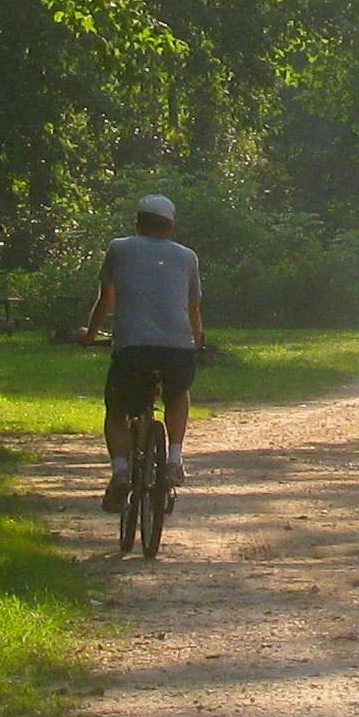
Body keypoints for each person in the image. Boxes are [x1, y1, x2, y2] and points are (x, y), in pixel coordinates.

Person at [84, 192, 204, 512]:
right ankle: (175, 459)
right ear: (171, 226)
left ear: (137, 224)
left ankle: (120, 473)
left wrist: (90, 335)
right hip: (177, 349)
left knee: (117, 409)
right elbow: (193, 308)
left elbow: (106, 300)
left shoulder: (119, 248)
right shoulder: (187, 257)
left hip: (132, 349)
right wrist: (198, 341)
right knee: (178, 394)